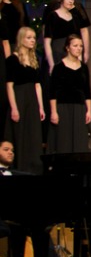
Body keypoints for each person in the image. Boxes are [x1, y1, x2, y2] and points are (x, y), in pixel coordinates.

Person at [6, 27, 43, 173]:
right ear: (21, 39)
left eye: (34, 37)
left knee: (33, 135)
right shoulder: (12, 60)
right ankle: (20, 168)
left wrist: (40, 107)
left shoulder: (34, 60)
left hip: (32, 100)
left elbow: (37, 85)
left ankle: (33, 169)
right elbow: (9, 86)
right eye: (29, 37)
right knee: (20, 134)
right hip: (19, 98)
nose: (32, 40)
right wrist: (14, 108)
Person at [49, 35, 90, 153]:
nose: (79, 48)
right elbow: (53, 91)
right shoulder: (58, 67)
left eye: (81, 46)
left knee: (79, 142)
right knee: (63, 141)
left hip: (79, 107)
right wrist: (53, 111)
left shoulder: (84, 67)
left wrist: (89, 110)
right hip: (63, 107)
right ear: (67, 48)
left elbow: (87, 90)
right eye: (75, 46)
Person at [42, 0, 90, 68]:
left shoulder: (75, 17)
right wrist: (51, 64)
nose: (71, 1)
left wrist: (80, 57)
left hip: (73, 56)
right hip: (57, 55)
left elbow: (78, 39)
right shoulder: (53, 16)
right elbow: (47, 42)